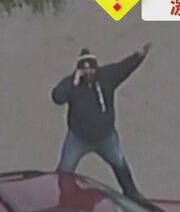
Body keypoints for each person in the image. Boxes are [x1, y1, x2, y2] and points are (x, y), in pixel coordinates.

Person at [51, 44, 152, 201]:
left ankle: (131, 193)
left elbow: (124, 68)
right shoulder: (71, 84)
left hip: (106, 137)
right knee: (65, 170)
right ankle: (60, 197)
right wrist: (75, 81)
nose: (89, 72)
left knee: (119, 163)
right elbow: (57, 98)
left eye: (91, 68)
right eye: (84, 69)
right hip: (78, 138)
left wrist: (139, 56)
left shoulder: (107, 76)